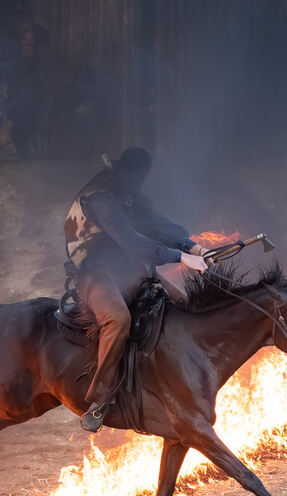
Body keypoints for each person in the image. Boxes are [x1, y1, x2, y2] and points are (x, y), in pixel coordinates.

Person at [63, 147, 208, 432]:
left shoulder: (127, 191)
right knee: (118, 319)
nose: (140, 182)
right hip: (94, 272)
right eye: (137, 176)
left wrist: (191, 244)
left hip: (126, 268)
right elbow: (134, 241)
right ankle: (100, 399)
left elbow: (154, 221)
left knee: (182, 302)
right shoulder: (101, 198)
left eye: (143, 177)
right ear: (126, 171)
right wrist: (181, 257)